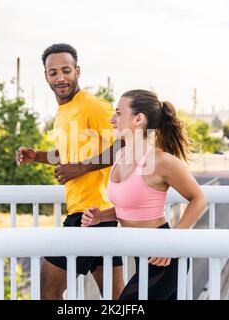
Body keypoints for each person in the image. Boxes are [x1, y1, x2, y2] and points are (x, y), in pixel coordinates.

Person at [15, 43, 124, 299]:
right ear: (46, 76)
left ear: (77, 70)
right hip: (95, 216)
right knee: (116, 297)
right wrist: (38, 156)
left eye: (66, 70)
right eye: (53, 73)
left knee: (48, 288)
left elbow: (125, 143)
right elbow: (70, 156)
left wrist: (82, 167)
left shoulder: (94, 106)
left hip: (91, 212)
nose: (60, 78)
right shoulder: (62, 113)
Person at [81, 89, 206, 300]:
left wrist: (172, 243)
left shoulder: (161, 161)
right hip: (141, 256)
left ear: (138, 119)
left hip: (164, 258)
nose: (112, 120)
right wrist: (101, 216)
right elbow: (130, 208)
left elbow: (199, 199)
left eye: (119, 113)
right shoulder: (120, 155)